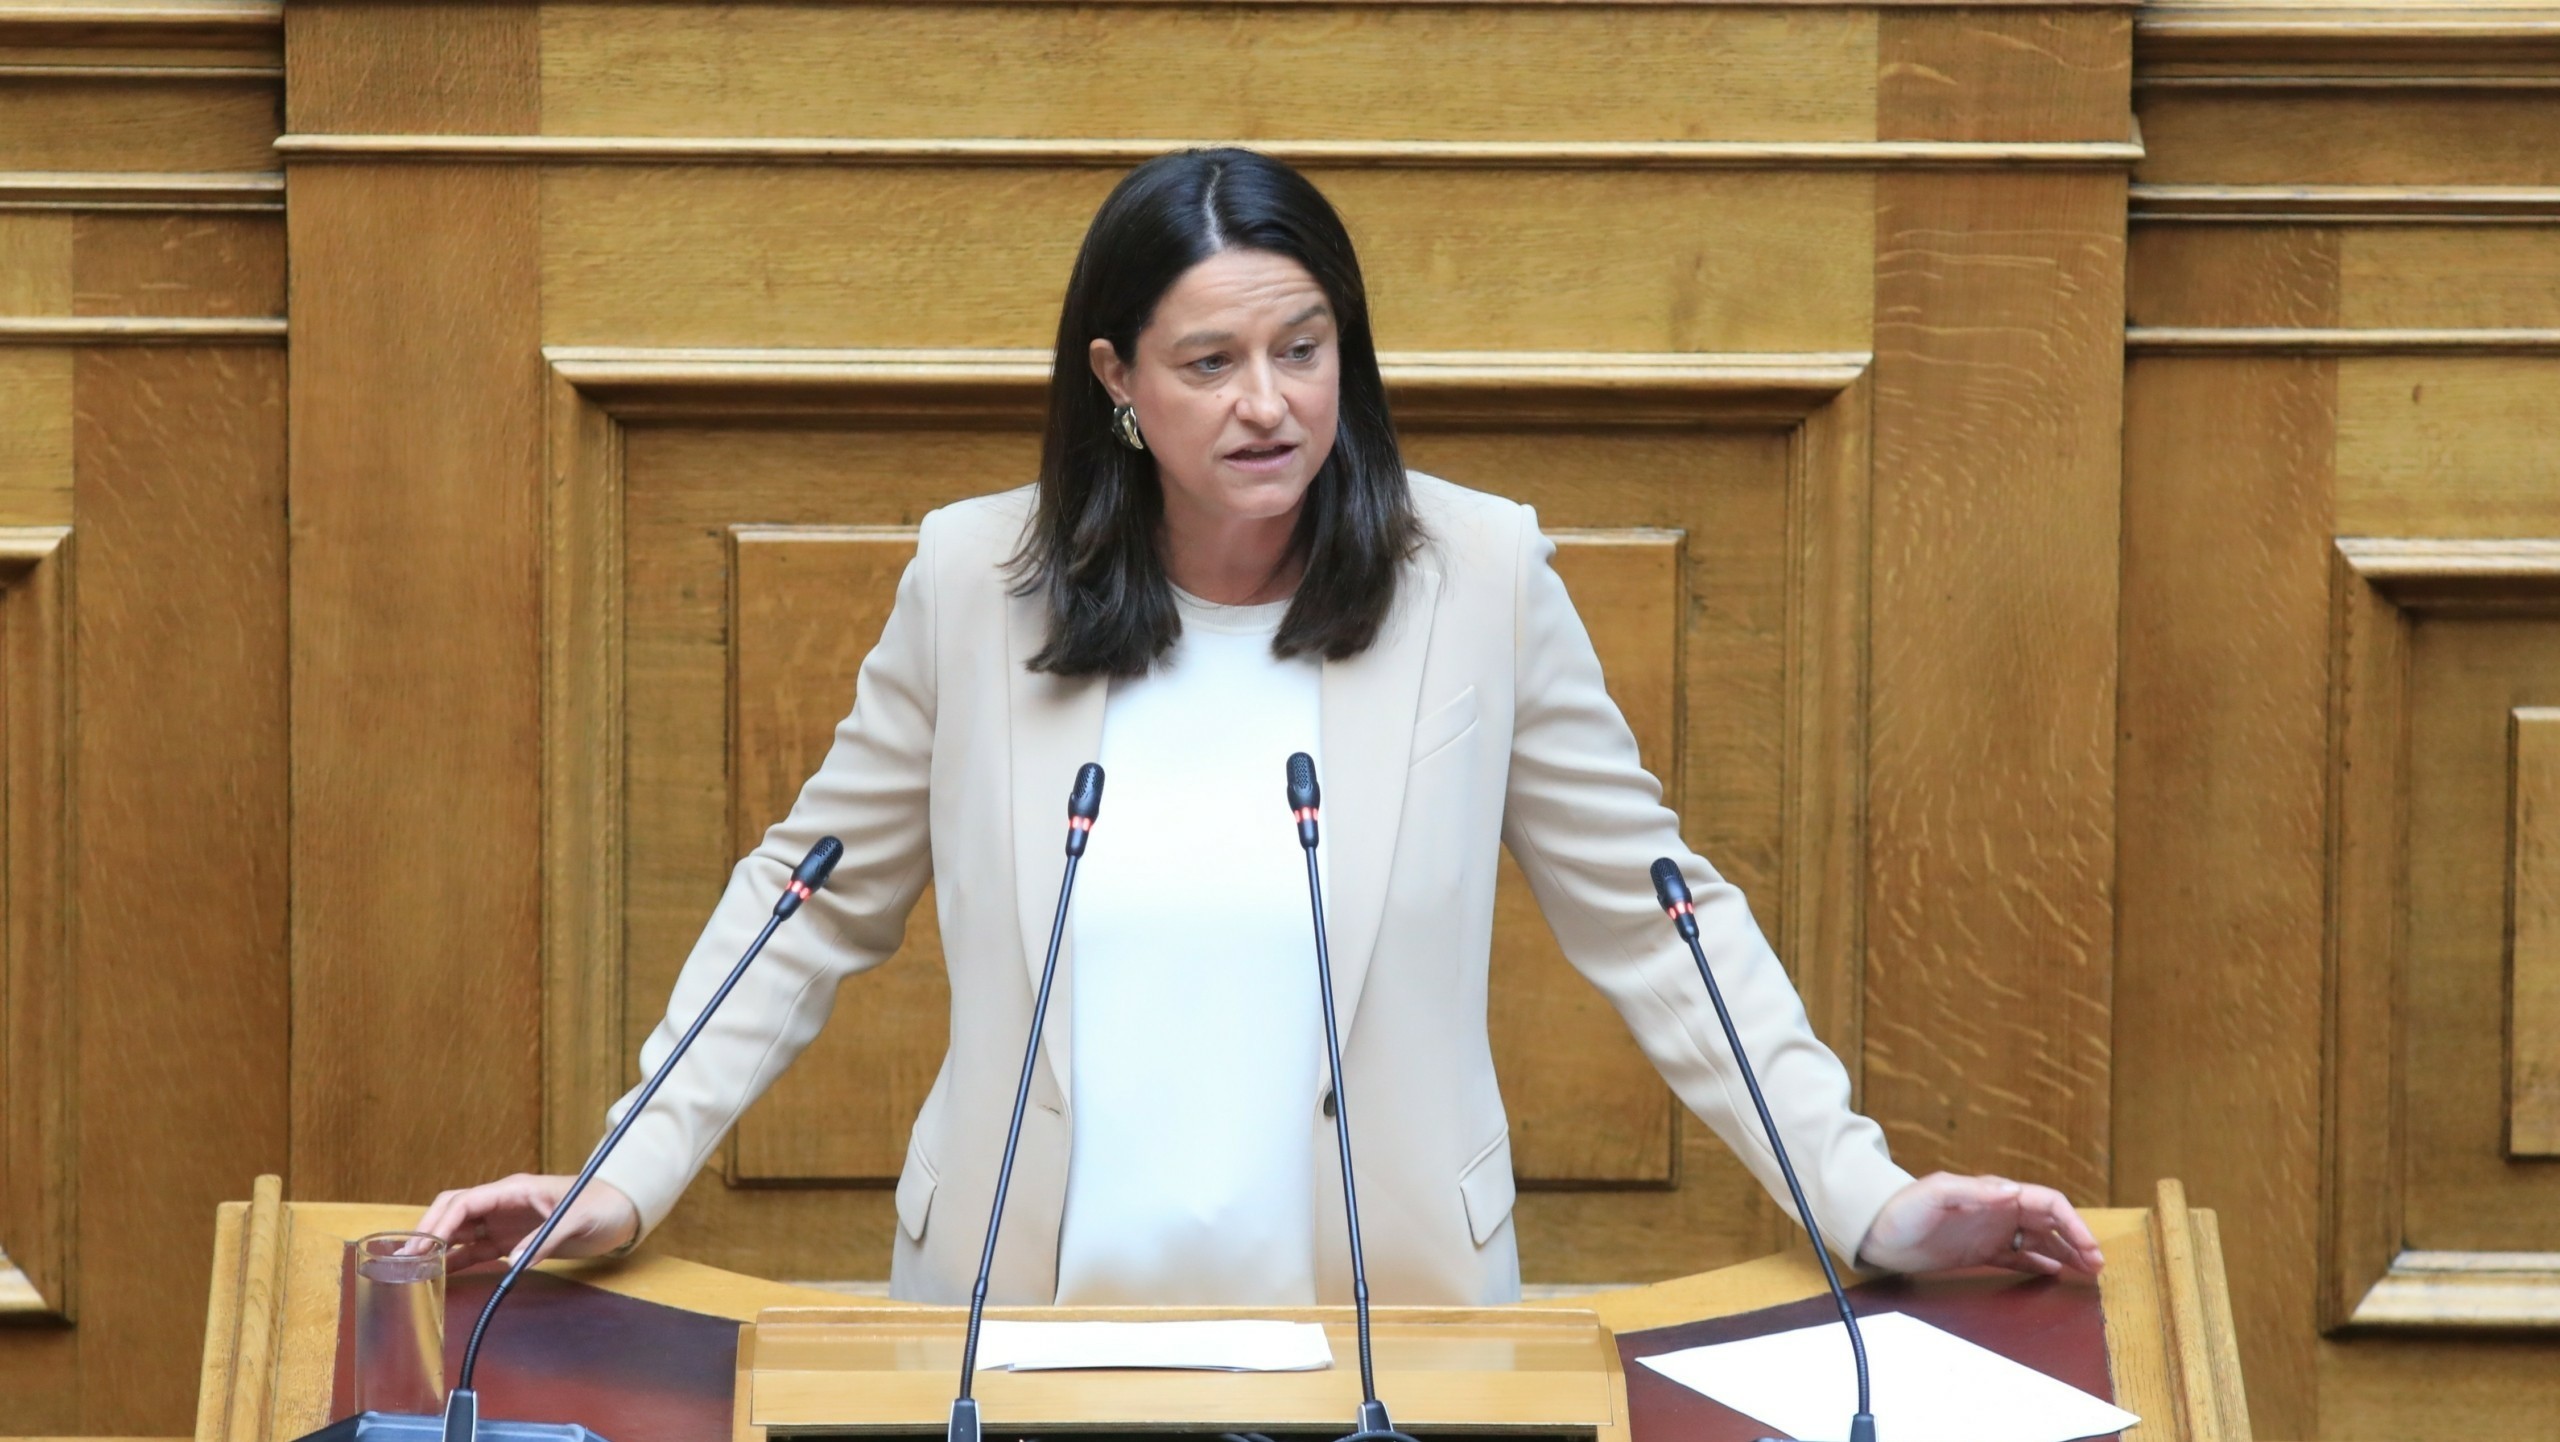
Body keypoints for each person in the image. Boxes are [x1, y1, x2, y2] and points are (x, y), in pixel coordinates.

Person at [420, 148, 2103, 1303]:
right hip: (1018, 1327)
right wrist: (618, 1175)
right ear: (1115, 380)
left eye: (1304, 348)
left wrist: (1866, 1194)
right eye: (1211, 360)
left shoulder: (1478, 578)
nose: (1270, 402)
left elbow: (1665, 920)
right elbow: (803, 904)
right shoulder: (972, 587)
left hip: (1389, 1332)